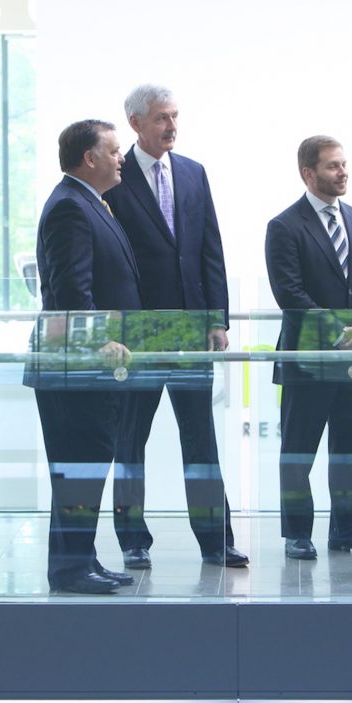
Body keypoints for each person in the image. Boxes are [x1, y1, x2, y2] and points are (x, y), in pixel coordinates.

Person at [104, 84, 247, 571]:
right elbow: (109, 260)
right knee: (130, 440)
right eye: (162, 117)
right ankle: (132, 541)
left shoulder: (192, 172)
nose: (172, 126)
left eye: (175, 116)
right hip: (138, 334)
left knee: (201, 439)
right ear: (137, 123)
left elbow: (210, 247)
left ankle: (216, 540)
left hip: (190, 330)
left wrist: (217, 319)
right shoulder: (115, 177)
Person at [24, 119, 141, 595]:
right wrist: (96, 344)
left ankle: (82, 558)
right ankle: (71, 570)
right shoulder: (71, 208)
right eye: (114, 151)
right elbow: (72, 288)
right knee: (79, 466)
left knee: (87, 465)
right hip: (77, 366)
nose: (122, 159)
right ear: (90, 158)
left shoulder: (89, 203)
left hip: (90, 367)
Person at [265, 136, 352, 561]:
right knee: (299, 450)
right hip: (308, 359)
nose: (343, 172)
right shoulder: (284, 226)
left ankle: (349, 530)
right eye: (333, 166)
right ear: (308, 173)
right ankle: (298, 534)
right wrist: (341, 330)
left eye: (344, 164)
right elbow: (290, 294)